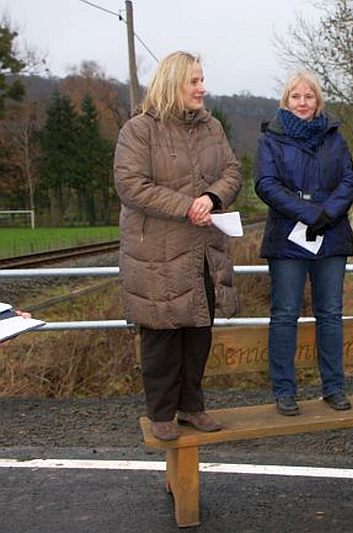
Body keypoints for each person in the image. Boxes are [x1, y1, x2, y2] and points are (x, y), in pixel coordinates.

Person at [114, 51, 242, 441]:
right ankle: (162, 412)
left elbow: (232, 171)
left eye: (202, 80)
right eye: (194, 82)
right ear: (173, 84)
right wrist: (186, 206)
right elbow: (131, 186)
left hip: (204, 248)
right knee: (162, 333)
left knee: (199, 330)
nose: (202, 88)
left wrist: (211, 196)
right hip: (157, 252)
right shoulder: (139, 130)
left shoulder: (211, 127)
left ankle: (191, 406)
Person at [255, 71, 353, 416]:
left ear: (318, 101)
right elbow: (266, 184)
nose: (302, 103)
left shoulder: (335, 137)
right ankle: (285, 390)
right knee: (285, 314)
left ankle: (334, 387)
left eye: (308, 97)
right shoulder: (272, 138)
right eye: (296, 97)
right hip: (287, 237)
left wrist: (327, 214)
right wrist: (308, 213)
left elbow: (349, 180)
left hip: (331, 235)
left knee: (330, 313)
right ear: (287, 101)